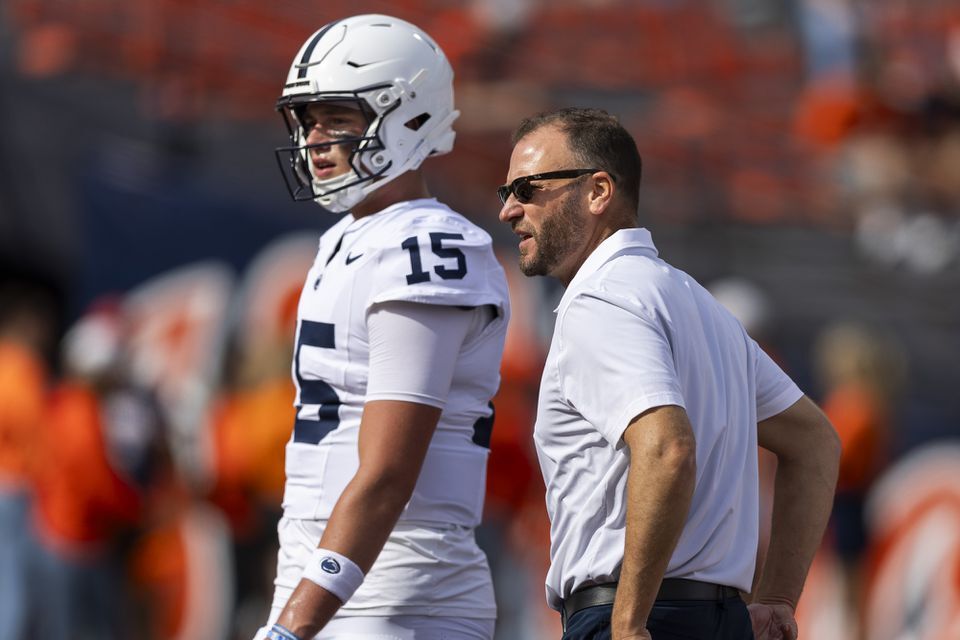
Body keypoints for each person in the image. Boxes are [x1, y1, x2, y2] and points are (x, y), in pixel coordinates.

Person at [496, 107, 840, 640]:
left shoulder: (601, 299)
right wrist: (776, 600)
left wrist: (628, 623)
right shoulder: (698, 302)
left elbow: (666, 447)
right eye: (506, 192)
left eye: (525, 188)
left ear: (598, 191)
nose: (509, 210)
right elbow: (814, 441)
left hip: (635, 616)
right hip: (719, 619)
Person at [257, 14, 510, 640]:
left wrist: (296, 623)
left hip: (399, 584)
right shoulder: (348, 237)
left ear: (409, 115)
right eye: (307, 120)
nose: (315, 139)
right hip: (331, 572)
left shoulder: (428, 245)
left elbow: (388, 469)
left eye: (338, 118)